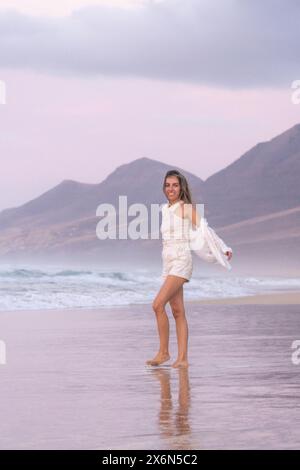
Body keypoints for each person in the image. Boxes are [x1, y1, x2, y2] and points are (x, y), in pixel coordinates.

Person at [146, 169, 232, 369]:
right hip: (168, 263)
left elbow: (205, 229)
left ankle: (164, 352)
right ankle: (182, 359)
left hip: (181, 261)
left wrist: (223, 247)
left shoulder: (185, 208)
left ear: (181, 187)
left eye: (175, 185)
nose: (171, 189)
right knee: (177, 311)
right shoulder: (165, 209)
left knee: (157, 305)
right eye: (167, 185)